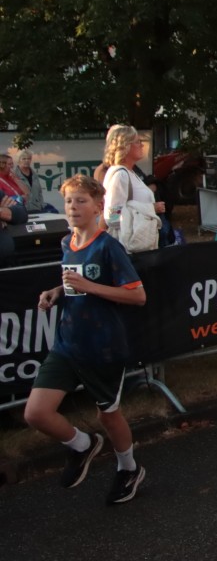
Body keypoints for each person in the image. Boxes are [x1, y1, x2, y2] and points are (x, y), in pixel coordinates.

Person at [23, 174, 147, 504]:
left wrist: (89, 287)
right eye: (68, 201)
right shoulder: (68, 243)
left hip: (103, 347)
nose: (73, 207)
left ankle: (129, 468)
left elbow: (137, 296)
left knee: (108, 416)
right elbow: (73, 283)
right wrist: (56, 292)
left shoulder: (108, 247)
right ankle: (82, 444)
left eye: (81, 201)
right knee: (36, 413)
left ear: (97, 206)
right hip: (67, 343)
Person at [101, 125, 165, 252]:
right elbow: (112, 217)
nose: (142, 145)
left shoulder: (129, 172)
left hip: (139, 247)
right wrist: (150, 208)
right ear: (125, 146)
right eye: (137, 142)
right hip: (129, 250)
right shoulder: (120, 175)